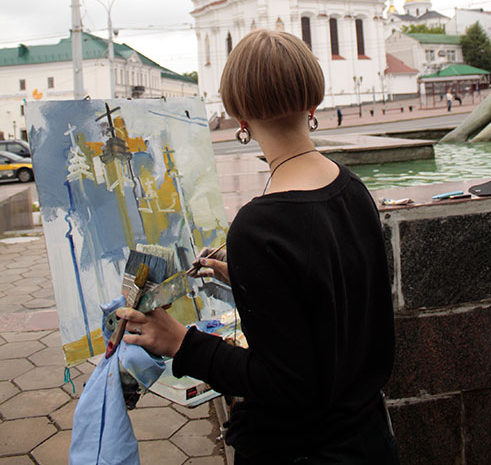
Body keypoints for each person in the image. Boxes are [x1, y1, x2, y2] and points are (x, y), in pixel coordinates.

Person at [118, 29, 398, 464]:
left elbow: (285, 384)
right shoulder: (352, 188)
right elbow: (333, 298)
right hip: (370, 439)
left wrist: (180, 343)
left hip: (305, 451)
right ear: (314, 103)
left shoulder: (259, 226)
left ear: (239, 117)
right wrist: (248, 278)